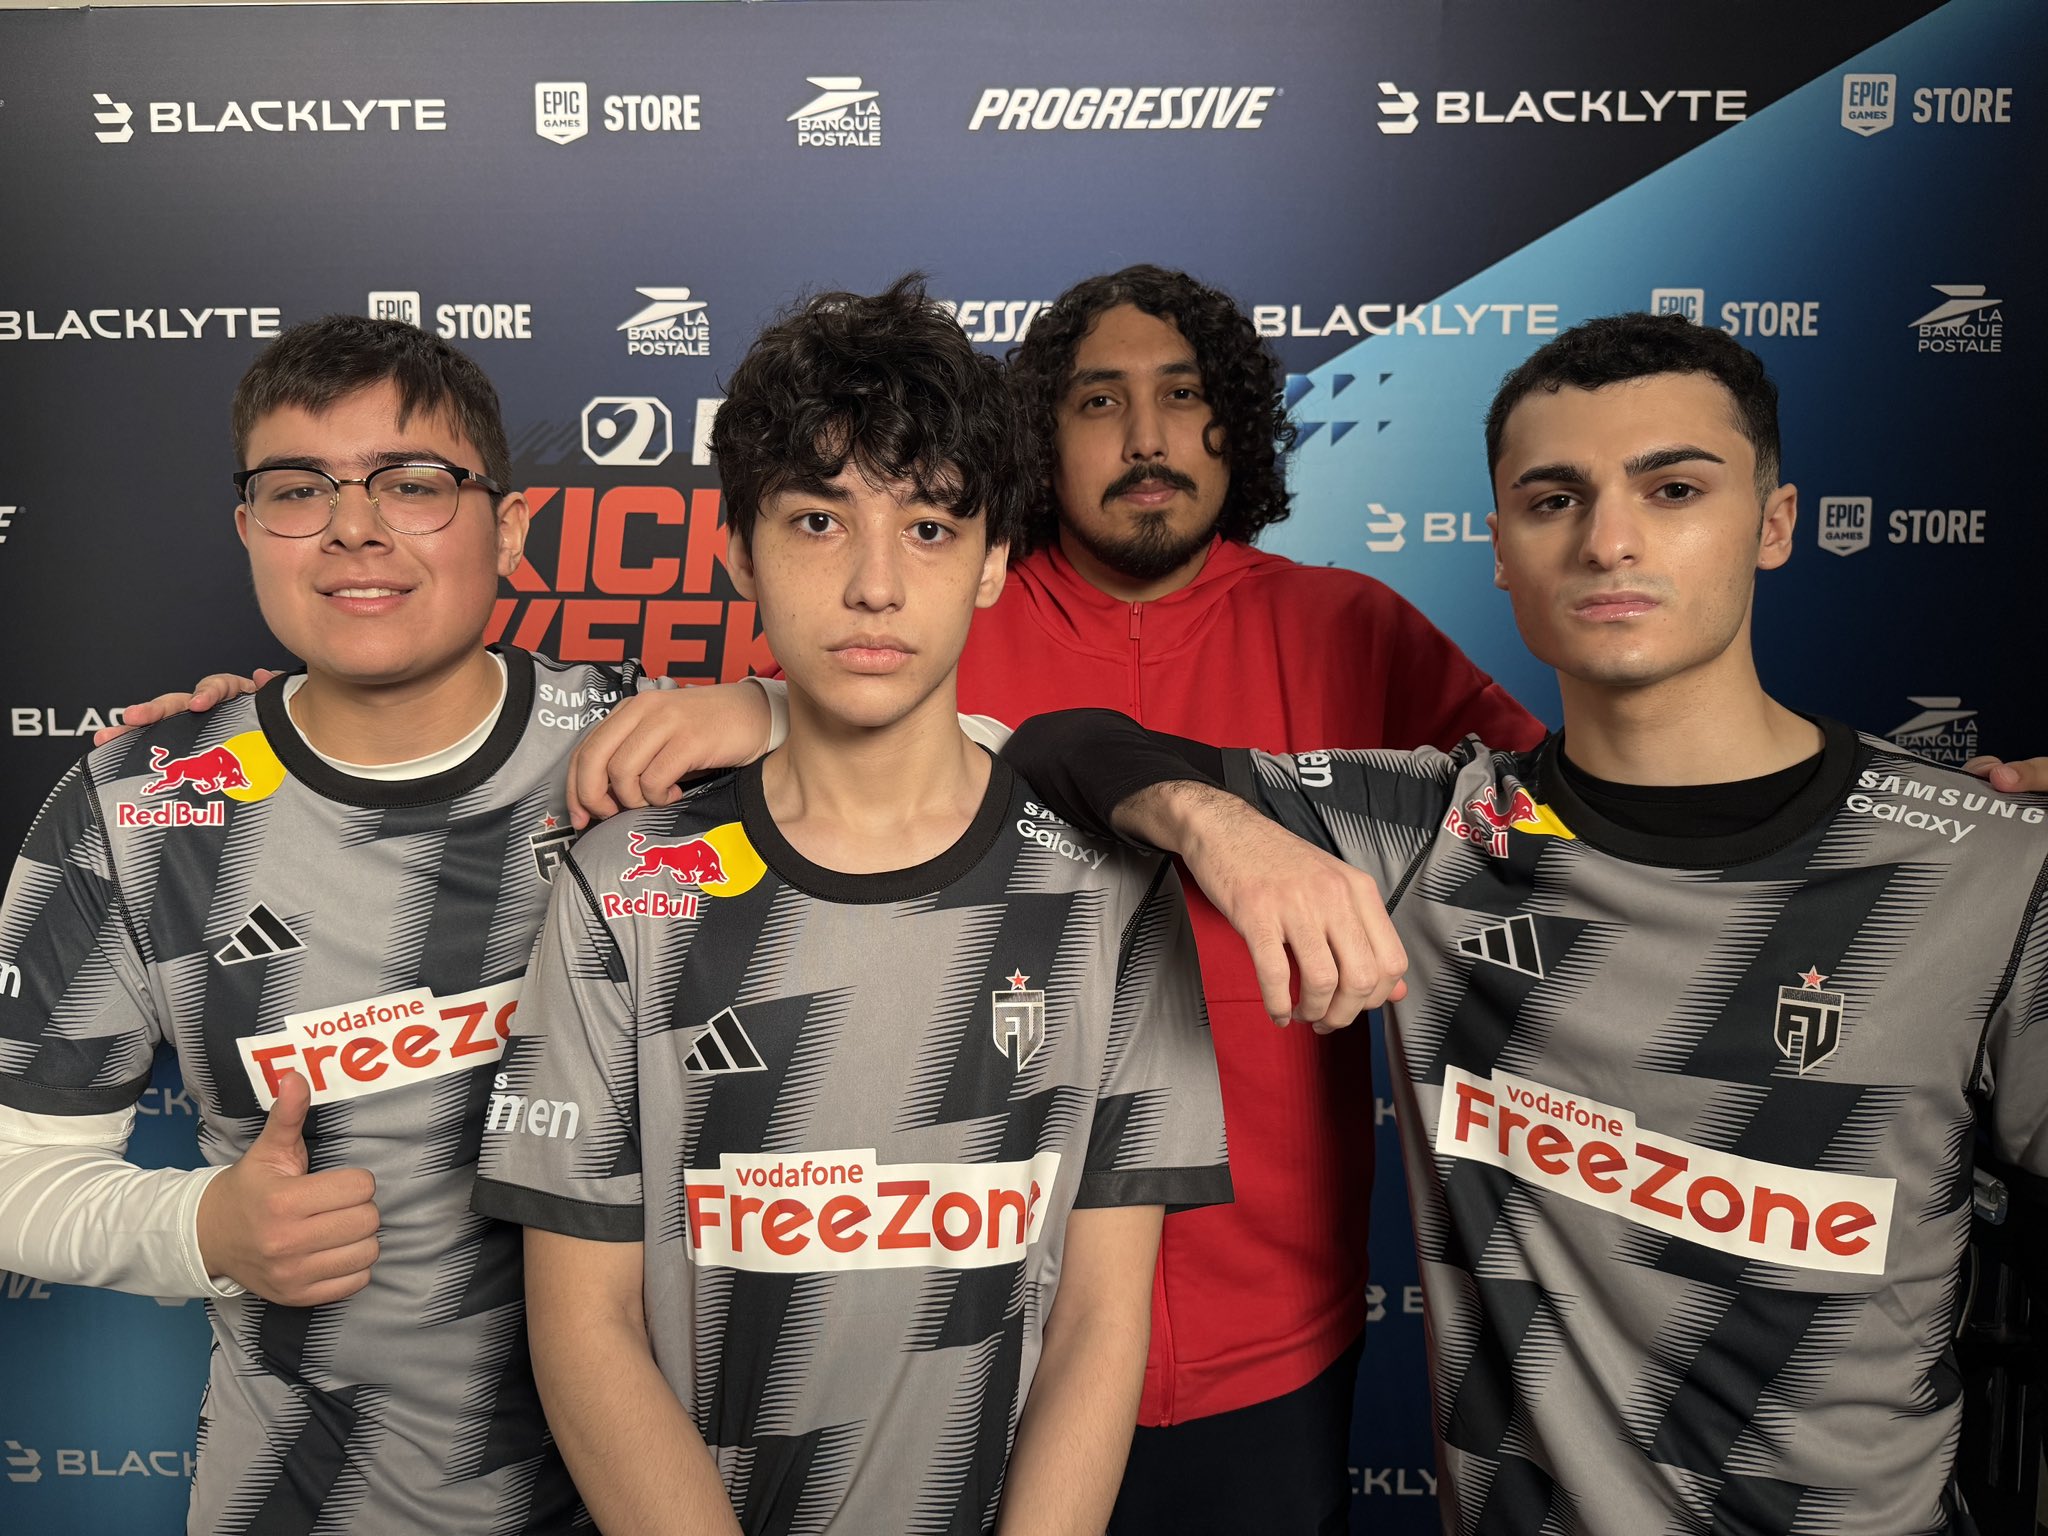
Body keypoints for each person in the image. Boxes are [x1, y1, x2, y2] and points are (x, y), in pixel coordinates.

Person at [999, 311, 2048, 1533]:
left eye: (1671, 490)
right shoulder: (1434, 830)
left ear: (1771, 523)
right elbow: (1061, 744)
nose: (1608, 541)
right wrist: (1215, 825)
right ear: (1498, 549)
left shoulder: (1986, 863)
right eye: (1555, 500)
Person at [558, 264, 1543, 1536]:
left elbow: (1552, 825)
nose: (1144, 438)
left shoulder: (1349, 623)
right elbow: (877, 722)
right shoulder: (942, 600)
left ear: (1234, 426)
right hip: (985, 1328)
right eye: (1097, 402)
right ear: (1039, 439)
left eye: (1181, 396)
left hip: (1267, 1327)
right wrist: (767, 706)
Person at [469, 277, 1231, 1535]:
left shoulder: (1106, 887)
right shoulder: (625, 884)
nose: (875, 584)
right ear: (737, 550)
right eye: (819, 522)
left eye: (928, 527)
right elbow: (584, 1324)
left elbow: (1102, 1317)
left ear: (993, 561)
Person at [0, 314, 697, 1531]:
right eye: (298, 489)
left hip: (661, 1500)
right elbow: (16, 1171)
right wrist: (201, 1227)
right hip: (307, 1503)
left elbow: (972, 785)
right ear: (248, 531)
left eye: (413, 483)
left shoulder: (658, 755)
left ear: (510, 528)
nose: (353, 528)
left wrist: (771, 717)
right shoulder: (140, 804)